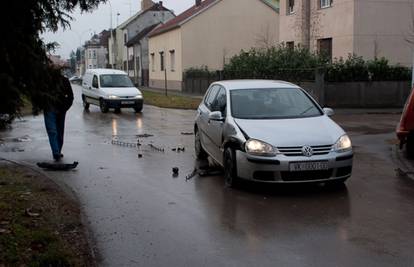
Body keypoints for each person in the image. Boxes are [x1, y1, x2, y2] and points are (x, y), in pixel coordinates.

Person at [44, 70, 74, 161]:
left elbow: (70, 96)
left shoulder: (64, 81)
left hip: (61, 110)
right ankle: (56, 152)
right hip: (49, 109)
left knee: (60, 132)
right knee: (52, 131)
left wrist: (65, 108)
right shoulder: (46, 81)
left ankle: (58, 151)